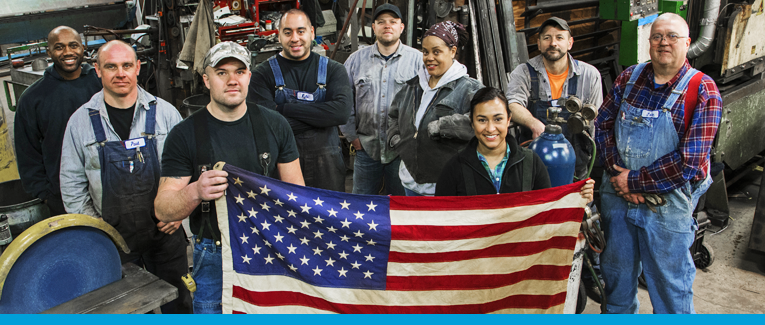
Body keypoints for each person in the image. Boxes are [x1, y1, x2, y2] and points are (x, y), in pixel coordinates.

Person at [155, 42, 304, 314]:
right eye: (222, 72)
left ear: (249, 76)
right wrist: (195, 191)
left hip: (267, 246)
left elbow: (297, 195)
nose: (232, 80)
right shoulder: (184, 134)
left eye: (239, 71)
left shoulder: (275, 124)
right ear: (206, 79)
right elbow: (163, 209)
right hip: (214, 255)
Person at [594, 13, 722, 313]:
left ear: (688, 43)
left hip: (666, 208)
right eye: (657, 36)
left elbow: (689, 161)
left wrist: (633, 182)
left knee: (670, 289)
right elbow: (602, 125)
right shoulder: (630, 78)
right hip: (618, 198)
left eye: (672, 36)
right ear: (649, 42)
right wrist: (618, 175)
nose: (664, 42)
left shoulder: (703, 91)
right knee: (616, 280)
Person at [59, 40, 191, 313]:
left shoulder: (166, 114)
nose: (120, 73)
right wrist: (95, 229)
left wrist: (179, 212)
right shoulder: (80, 122)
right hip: (112, 240)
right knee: (121, 309)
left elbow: (188, 168)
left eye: (127, 65)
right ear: (97, 70)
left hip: (165, 233)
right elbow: (71, 183)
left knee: (177, 304)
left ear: (138, 68)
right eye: (111, 66)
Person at [248, 9, 352, 192]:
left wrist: (283, 109)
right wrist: (321, 118)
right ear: (278, 35)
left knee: (327, 219)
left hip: (327, 169)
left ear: (312, 32)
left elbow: (340, 113)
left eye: (301, 31)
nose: (295, 38)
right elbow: (265, 125)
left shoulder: (334, 70)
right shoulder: (261, 75)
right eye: (288, 32)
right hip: (282, 167)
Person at [435, 87, 595, 199]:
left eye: (498, 119)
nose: (490, 128)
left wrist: (578, 197)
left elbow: (548, 211)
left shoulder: (531, 163)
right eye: (482, 120)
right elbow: (443, 221)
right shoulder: (454, 169)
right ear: (472, 123)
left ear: (509, 120)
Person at [387, 21, 483, 196]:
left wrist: (444, 126)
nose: (429, 57)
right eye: (425, 52)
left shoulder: (470, 89)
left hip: (446, 186)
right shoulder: (412, 86)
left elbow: (484, 122)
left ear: (452, 51)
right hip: (410, 182)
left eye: (436, 51)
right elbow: (393, 115)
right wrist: (395, 138)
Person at [14, 26, 102, 215]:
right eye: (59, 47)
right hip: (62, 197)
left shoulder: (102, 84)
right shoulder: (33, 98)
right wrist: (46, 194)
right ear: (49, 52)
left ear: (83, 48)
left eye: (73, 45)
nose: (68, 52)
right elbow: (27, 152)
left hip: (110, 187)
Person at [505, 17, 602, 179]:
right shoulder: (524, 73)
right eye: (547, 38)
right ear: (538, 43)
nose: (553, 43)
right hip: (533, 164)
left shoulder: (589, 75)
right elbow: (512, 105)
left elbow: (595, 122)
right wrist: (534, 124)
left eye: (559, 37)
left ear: (570, 43)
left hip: (576, 166)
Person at [340, 3, 422, 195]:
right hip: (366, 149)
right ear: (374, 27)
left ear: (401, 27)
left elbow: (426, 102)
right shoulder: (355, 60)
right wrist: (352, 137)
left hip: (402, 152)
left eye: (393, 22)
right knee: (361, 207)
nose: (387, 26)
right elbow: (344, 101)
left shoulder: (418, 61)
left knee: (401, 208)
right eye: (381, 22)